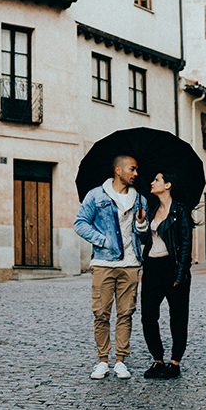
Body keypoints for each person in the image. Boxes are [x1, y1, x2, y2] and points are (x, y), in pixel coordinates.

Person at [73, 155, 148, 380]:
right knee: (101, 313)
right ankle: (102, 360)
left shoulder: (140, 199)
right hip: (103, 263)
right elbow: (80, 223)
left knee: (126, 313)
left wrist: (141, 223)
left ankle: (120, 361)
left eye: (137, 170)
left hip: (131, 264)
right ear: (118, 169)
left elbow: (142, 235)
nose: (136, 173)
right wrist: (102, 240)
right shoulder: (96, 195)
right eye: (132, 169)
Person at [136, 171, 193, 379]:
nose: (152, 182)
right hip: (152, 267)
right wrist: (141, 222)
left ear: (168, 184)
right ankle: (158, 360)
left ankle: (175, 362)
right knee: (148, 316)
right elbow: (144, 238)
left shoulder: (180, 211)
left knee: (177, 317)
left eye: (157, 180)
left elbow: (186, 244)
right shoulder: (151, 209)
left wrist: (181, 273)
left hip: (173, 267)